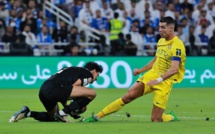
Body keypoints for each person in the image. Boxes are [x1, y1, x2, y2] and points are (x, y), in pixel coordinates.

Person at [83, 16, 186, 123]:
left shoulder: (177, 45)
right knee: (128, 96)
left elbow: (174, 69)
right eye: (159, 27)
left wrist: (158, 80)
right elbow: (156, 60)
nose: (160, 30)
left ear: (171, 29)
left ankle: (171, 116)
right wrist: (141, 71)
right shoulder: (161, 41)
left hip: (165, 81)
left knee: (155, 119)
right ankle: (97, 117)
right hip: (152, 75)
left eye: (163, 27)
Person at [9, 62, 103, 123]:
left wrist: (68, 108)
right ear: (94, 71)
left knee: (53, 117)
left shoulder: (73, 70)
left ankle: (27, 113)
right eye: (97, 75)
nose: (96, 79)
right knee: (92, 93)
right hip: (56, 88)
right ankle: (62, 114)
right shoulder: (88, 74)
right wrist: (71, 109)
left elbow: (66, 91)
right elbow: (73, 87)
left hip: (44, 89)